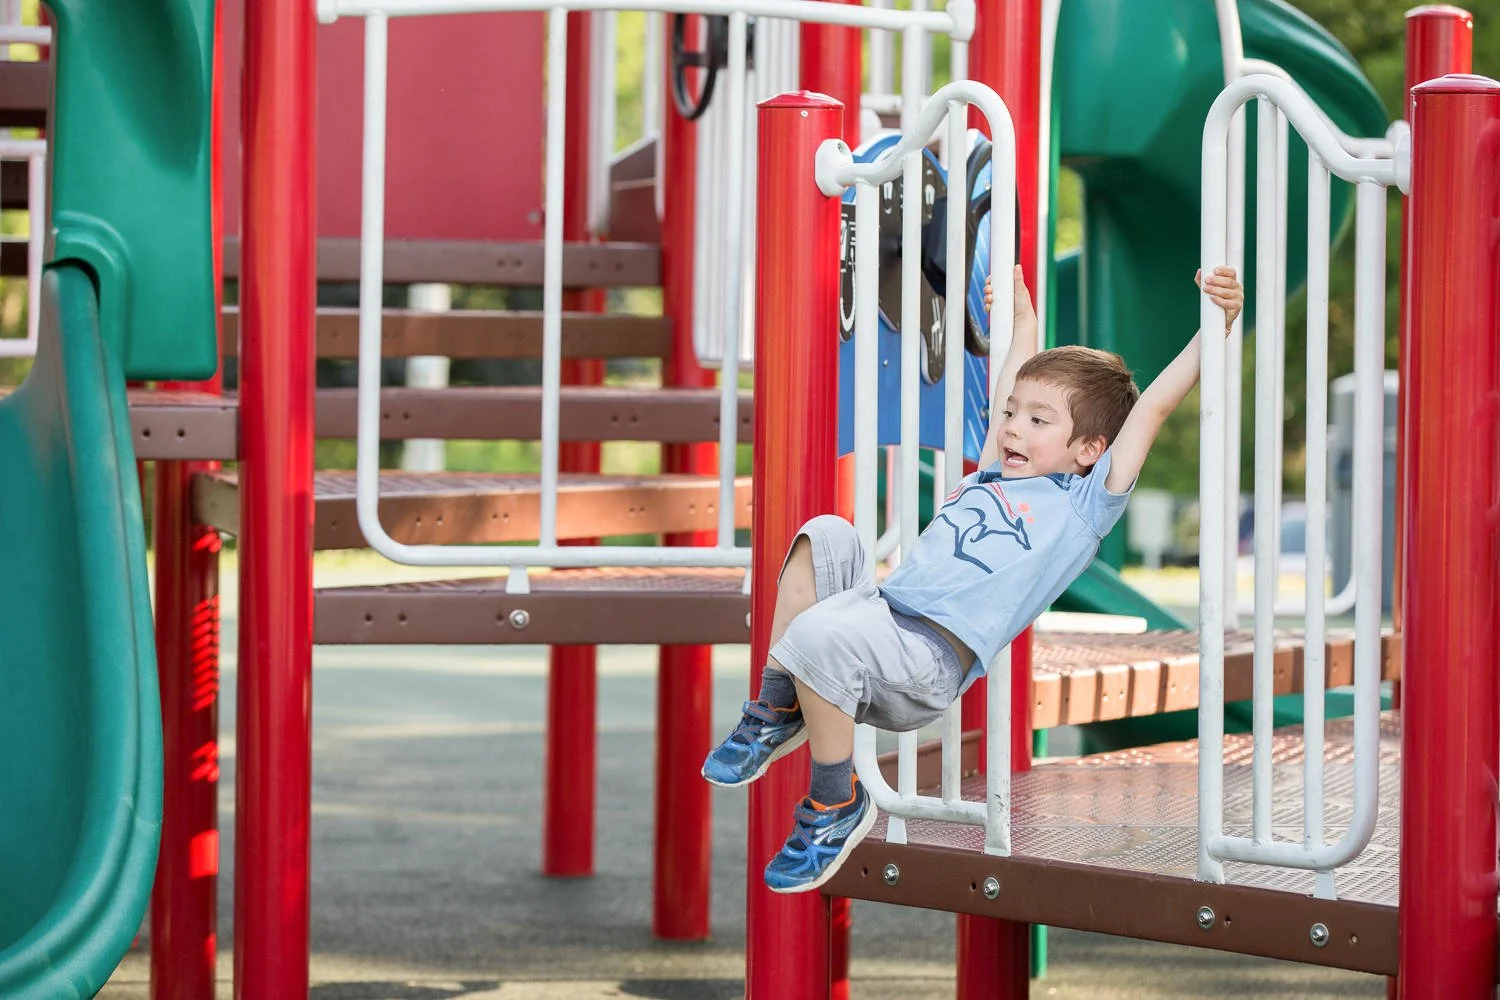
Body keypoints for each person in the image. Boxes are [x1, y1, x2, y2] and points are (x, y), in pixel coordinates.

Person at [702, 264, 1244, 893]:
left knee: (821, 634)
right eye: (1012, 414)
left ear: (1090, 450)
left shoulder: (1080, 507)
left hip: (926, 659)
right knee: (824, 536)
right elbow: (1011, 378)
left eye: (1040, 422)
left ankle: (834, 804)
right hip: (878, 616)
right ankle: (776, 707)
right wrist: (1020, 321)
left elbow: (1154, 406)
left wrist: (1217, 324)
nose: (1014, 427)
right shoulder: (992, 471)